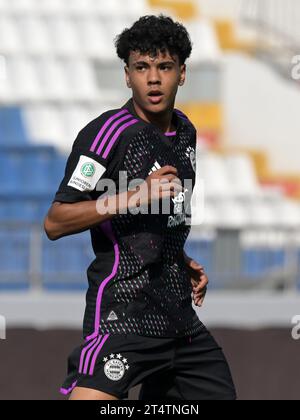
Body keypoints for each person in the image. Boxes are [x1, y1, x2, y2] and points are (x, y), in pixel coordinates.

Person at [44, 14, 236, 401]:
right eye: (142, 67)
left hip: (180, 320)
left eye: (164, 67)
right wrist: (131, 196)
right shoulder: (106, 135)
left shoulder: (185, 132)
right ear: (127, 75)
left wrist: (179, 258)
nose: (153, 78)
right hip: (123, 317)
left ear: (182, 73)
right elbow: (55, 221)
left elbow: (164, 218)